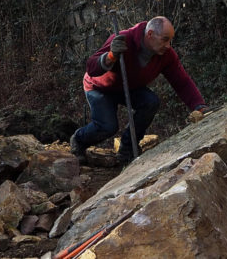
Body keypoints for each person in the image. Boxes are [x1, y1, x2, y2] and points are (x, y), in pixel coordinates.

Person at [69, 16, 208, 164]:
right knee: (107, 126)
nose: (168, 45)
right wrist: (111, 55)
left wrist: (198, 106)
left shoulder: (166, 55)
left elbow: (181, 82)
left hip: (129, 87)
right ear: (150, 34)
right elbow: (91, 67)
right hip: (100, 88)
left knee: (151, 102)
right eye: (165, 39)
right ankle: (78, 140)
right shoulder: (124, 39)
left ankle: (127, 149)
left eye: (170, 40)